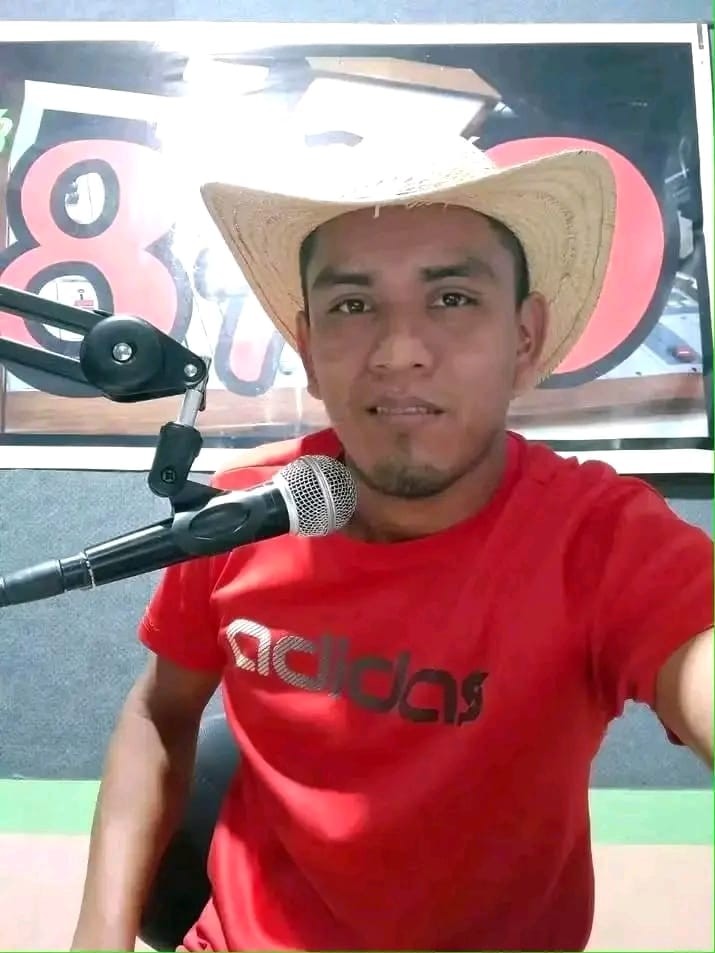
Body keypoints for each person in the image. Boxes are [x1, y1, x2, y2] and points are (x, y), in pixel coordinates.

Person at [71, 136, 713, 953]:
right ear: (308, 348)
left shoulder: (602, 540)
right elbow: (159, 711)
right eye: (351, 305)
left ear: (524, 337)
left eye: (452, 297)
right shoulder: (240, 513)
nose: (398, 350)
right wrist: (96, 938)